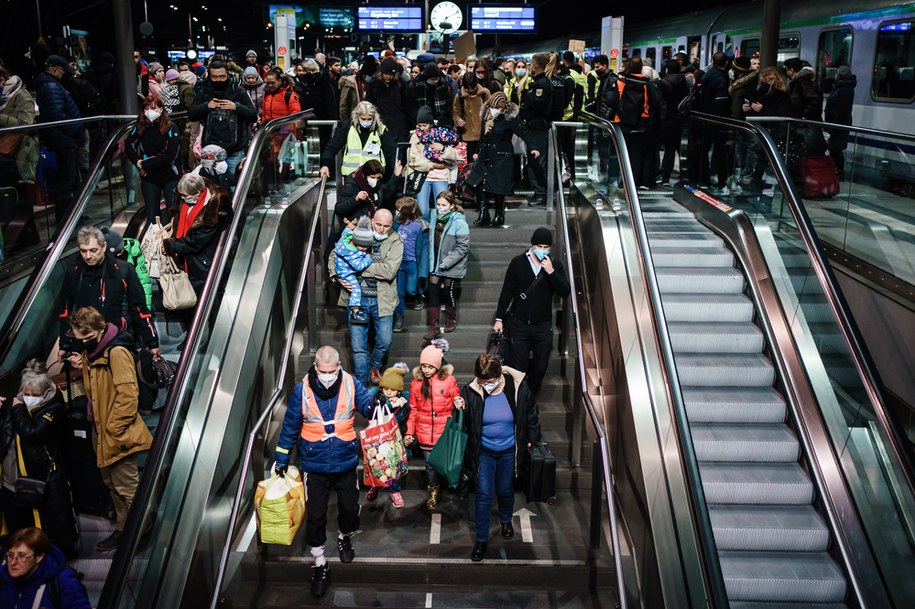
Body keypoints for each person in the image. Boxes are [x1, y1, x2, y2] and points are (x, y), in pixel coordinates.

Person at [272, 346, 373, 598]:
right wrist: (282, 455)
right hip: (315, 465)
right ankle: (319, 562)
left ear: (338, 366)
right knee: (315, 515)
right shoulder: (302, 389)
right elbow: (291, 423)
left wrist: (379, 403)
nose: (327, 375)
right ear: (315, 368)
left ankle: (344, 535)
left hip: (345, 461)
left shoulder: (350, 383)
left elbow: (367, 407)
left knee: (349, 508)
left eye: (331, 370)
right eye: (322, 370)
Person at [66, 306, 153, 552]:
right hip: (100, 430)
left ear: (99, 329)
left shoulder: (115, 353)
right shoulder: (93, 353)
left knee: (127, 486)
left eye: (87, 338)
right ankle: (123, 528)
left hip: (116, 431)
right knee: (111, 485)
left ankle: (139, 531)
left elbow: (128, 396)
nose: (83, 343)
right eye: (79, 340)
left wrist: (113, 428)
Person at [459, 353, 541, 561]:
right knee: (484, 495)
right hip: (484, 452)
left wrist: (532, 438)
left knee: (505, 490)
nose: (485, 385)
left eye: (489, 381)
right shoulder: (471, 391)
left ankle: (505, 520)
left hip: (508, 452)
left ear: (499, 375)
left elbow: (531, 413)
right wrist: (459, 408)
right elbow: (467, 423)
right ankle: (481, 540)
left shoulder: (517, 387)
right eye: (482, 381)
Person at [0, 361, 79, 559]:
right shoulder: (14, 405)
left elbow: (32, 434)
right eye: (27, 393)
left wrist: (18, 409)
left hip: (43, 482)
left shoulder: (54, 408)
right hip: (12, 483)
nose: (31, 399)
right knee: (18, 531)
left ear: (46, 392)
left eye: (36, 395)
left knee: (48, 531)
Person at [58, 226, 159, 361]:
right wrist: (64, 344)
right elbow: (65, 310)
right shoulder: (74, 272)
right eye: (83, 251)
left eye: (93, 250)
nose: (88, 256)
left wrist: (152, 342)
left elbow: (139, 308)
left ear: (104, 247)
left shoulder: (123, 270)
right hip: (87, 345)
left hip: (119, 342)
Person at [329, 209, 404, 386]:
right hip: (357, 300)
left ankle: (374, 366)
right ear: (372, 221)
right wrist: (338, 275)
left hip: (382, 300)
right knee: (358, 346)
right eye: (378, 224)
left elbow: (389, 271)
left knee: (385, 341)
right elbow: (335, 254)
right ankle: (362, 384)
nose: (382, 229)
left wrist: (355, 267)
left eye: (386, 226)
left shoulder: (395, 240)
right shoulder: (359, 233)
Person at [492, 228, 571, 396]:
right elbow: (506, 292)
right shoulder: (518, 262)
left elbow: (565, 291)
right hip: (519, 324)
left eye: (546, 247)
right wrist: (499, 318)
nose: (543, 250)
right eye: (540, 246)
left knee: (540, 369)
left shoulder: (554, 265)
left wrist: (551, 272)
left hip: (543, 326)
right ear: (533, 245)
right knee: (518, 369)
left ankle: (527, 398)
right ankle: (519, 402)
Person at [404, 341, 464, 510]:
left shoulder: (449, 381)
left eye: (430, 366)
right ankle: (433, 489)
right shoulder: (416, 384)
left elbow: (455, 400)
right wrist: (410, 432)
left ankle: (451, 484)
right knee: (430, 465)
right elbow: (413, 410)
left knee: (445, 462)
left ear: (438, 365)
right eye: (423, 366)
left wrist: (459, 402)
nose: (426, 370)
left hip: (443, 432)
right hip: (424, 433)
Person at [469, 91, 541, 227]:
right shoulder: (487, 117)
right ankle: (483, 213)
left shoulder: (509, 119)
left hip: (502, 157)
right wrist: (477, 151)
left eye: (496, 107)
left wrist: (533, 147)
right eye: (492, 106)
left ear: (503, 107)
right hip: (486, 155)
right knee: (480, 183)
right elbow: (483, 137)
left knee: (499, 187)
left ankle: (499, 214)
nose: (493, 109)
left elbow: (524, 132)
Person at [162, 173, 233, 298]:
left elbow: (196, 241)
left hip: (204, 263)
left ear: (198, 193)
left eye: (186, 196)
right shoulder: (183, 200)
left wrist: (171, 244)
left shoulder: (215, 210)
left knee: (203, 298)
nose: (183, 198)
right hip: (186, 258)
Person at [188, 61, 258, 176]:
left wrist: (236, 107)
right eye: (214, 77)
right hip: (210, 151)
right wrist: (206, 106)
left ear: (228, 75)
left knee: (234, 187)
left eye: (222, 76)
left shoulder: (238, 90)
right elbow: (192, 114)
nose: (218, 80)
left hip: (235, 150)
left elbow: (253, 114)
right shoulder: (204, 90)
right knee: (212, 187)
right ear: (209, 76)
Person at [33, 55, 81, 222]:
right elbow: (57, 115)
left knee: (69, 180)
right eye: (62, 71)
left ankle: (69, 215)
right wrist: (75, 129)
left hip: (63, 139)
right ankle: (65, 218)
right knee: (66, 181)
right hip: (63, 140)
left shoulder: (51, 85)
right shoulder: (50, 86)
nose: (63, 74)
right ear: (54, 70)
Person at [605, 56, 665, 189]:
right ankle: (634, 182)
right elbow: (656, 102)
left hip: (622, 122)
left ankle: (621, 181)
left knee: (621, 153)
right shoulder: (647, 84)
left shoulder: (620, 82)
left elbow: (610, 101)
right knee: (636, 154)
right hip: (642, 123)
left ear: (628, 67)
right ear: (640, 68)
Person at [125, 94, 182, 224]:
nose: (149, 112)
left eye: (154, 108)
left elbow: (170, 155)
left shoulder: (171, 127)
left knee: (173, 214)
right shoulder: (140, 127)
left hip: (170, 176)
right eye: (146, 109)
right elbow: (129, 145)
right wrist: (137, 162)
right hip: (150, 178)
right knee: (152, 217)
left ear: (161, 109)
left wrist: (146, 164)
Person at [0, 527, 91, 609]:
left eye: (22, 556)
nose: (13, 562)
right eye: (10, 555)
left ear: (38, 557)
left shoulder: (64, 581)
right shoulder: (3, 578)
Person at [424, 191, 470, 339]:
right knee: (432, 293)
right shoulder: (432, 217)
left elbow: (463, 247)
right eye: (438, 204)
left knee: (448, 293)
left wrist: (447, 262)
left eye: (444, 205)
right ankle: (434, 327)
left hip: (449, 264)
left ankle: (451, 319)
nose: (440, 207)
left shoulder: (459, 222)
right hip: (435, 262)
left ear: (452, 206)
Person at [366, 364, 410, 508]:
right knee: (378, 465)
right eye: (385, 389)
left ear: (399, 390)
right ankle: (377, 485)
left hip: (395, 439)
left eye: (392, 389)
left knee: (395, 466)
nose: (388, 392)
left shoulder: (404, 400)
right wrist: (391, 405)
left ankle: (394, 491)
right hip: (378, 439)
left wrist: (403, 404)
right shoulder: (377, 397)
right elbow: (372, 407)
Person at [406, 105, 459, 218]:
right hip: (422, 176)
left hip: (442, 176)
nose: (422, 128)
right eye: (419, 125)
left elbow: (455, 156)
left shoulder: (443, 134)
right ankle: (425, 235)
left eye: (424, 125)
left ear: (431, 124)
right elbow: (412, 158)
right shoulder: (415, 136)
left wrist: (443, 149)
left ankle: (439, 233)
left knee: (441, 210)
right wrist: (431, 165)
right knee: (423, 211)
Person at [320, 101, 395, 179]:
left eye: (369, 119)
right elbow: (333, 146)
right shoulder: (348, 128)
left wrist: (394, 170)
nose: (366, 122)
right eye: (363, 119)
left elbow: (391, 151)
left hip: (373, 176)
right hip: (351, 175)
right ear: (357, 116)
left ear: (374, 117)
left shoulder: (381, 130)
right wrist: (326, 164)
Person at [518, 53, 554, 207]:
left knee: (538, 161)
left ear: (536, 65)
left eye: (531, 63)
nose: (529, 67)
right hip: (533, 127)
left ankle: (541, 194)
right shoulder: (537, 83)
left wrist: (527, 95)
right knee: (534, 161)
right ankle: (539, 191)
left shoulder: (542, 84)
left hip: (538, 128)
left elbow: (540, 106)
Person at [333, 158, 404, 230]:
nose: (375, 181)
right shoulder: (352, 185)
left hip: (372, 228)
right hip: (355, 228)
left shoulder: (377, 186)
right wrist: (355, 199)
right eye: (372, 177)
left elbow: (386, 193)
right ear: (364, 175)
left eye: (378, 178)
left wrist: (395, 176)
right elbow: (339, 209)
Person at [0, 67, 37, 189]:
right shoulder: (3, 97)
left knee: (20, 190)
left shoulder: (21, 95)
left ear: (2, 80)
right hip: (6, 150)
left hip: (19, 150)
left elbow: (26, 124)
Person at [365, 57, 415, 147]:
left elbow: (408, 106)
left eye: (391, 74)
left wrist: (413, 125)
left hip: (399, 126)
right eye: (386, 74)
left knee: (400, 153)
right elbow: (369, 106)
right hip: (381, 125)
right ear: (381, 73)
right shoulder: (374, 85)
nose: (388, 77)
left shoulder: (401, 84)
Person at [393, 196, 426, 332]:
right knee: (399, 293)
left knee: (410, 289)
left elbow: (422, 246)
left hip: (412, 262)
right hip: (399, 262)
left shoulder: (418, 225)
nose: (397, 212)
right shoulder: (396, 223)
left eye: (400, 210)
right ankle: (399, 318)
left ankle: (418, 295)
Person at [334, 218, 374, 325]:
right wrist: (368, 258)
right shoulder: (352, 253)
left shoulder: (346, 239)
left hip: (341, 268)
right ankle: (355, 311)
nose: (363, 249)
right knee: (356, 289)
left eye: (366, 246)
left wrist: (350, 226)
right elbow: (358, 266)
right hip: (345, 272)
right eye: (361, 246)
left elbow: (346, 231)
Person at [825, 65, 856, 179]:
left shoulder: (845, 88)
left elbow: (842, 109)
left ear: (838, 75)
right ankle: (835, 171)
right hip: (835, 123)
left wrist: (834, 125)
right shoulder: (840, 87)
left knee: (836, 149)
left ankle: (839, 172)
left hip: (838, 124)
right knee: (834, 149)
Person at [452, 71, 491, 161]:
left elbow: (491, 110)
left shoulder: (484, 93)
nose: (470, 90)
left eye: (472, 87)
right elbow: (455, 112)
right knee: (470, 164)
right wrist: (458, 120)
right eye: (467, 88)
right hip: (467, 136)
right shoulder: (460, 96)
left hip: (484, 134)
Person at [409, 63, 454, 128]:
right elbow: (412, 106)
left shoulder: (443, 84)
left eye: (437, 78)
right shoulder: (415, 85)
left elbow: (448, 103)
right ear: (427, 78)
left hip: (441, 120)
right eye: (433, 79)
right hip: (422, 122)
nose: (436, 81)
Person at [339, 56, 377, 124]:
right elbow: (343, 106)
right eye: (367, 75)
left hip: (370, 120)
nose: (368, 78)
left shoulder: (375, 84)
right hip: (354, 120)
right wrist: (345, 123)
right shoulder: (350, 83)